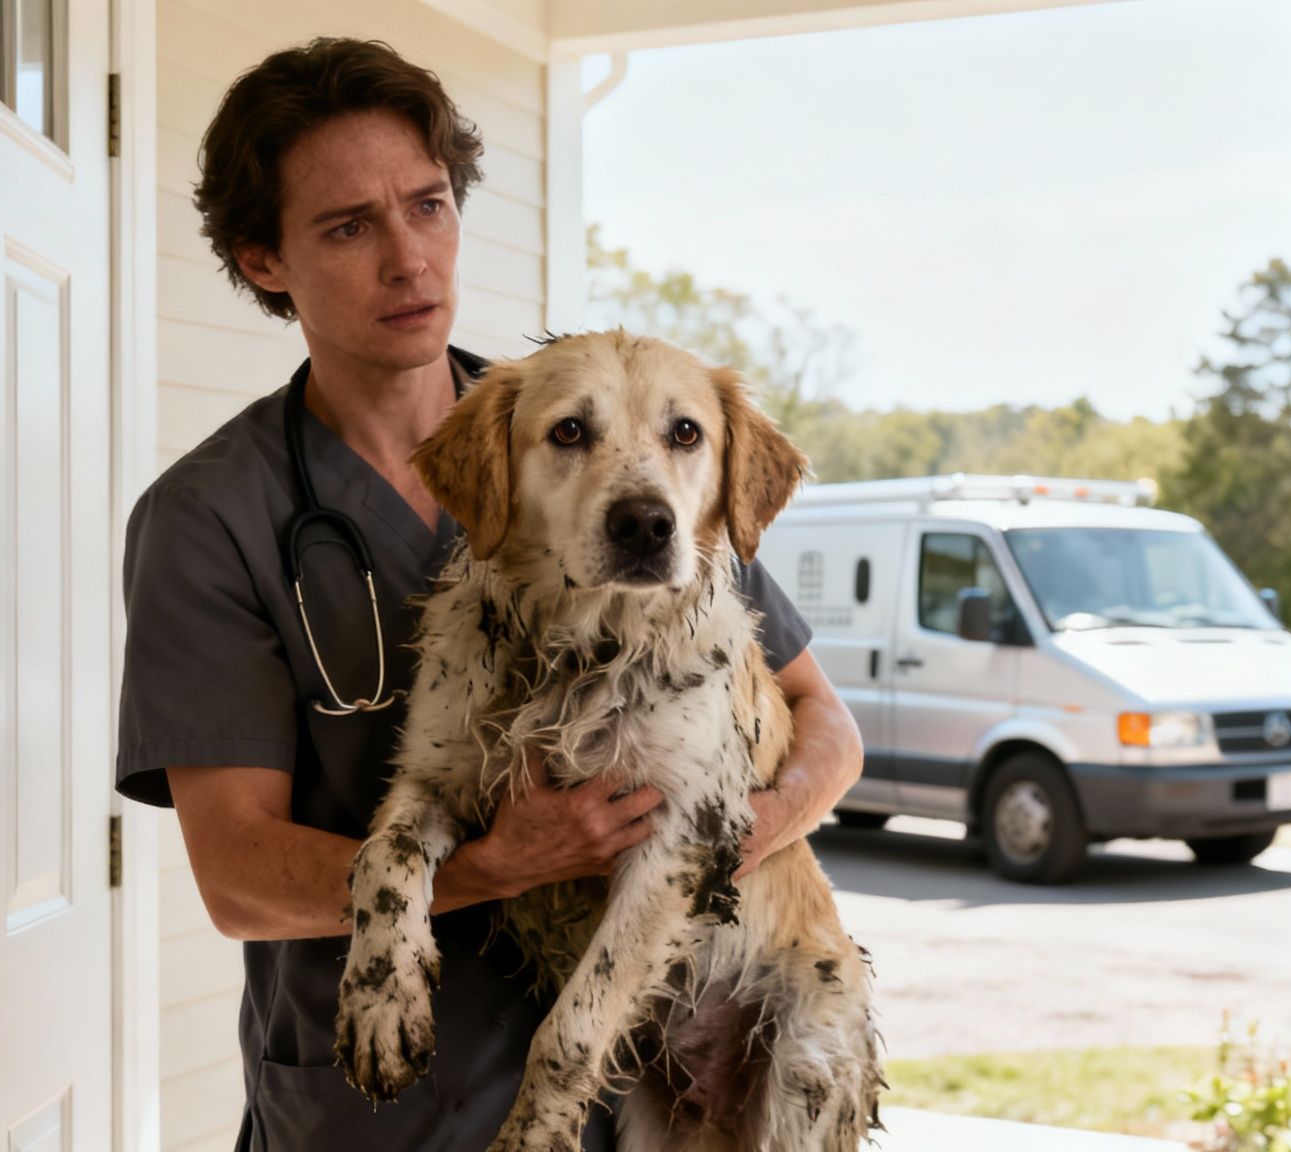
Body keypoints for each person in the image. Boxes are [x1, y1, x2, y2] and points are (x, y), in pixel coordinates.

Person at [113, 37, 863, 1152]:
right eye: (349, 226)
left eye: (428, 205)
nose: (411, 260)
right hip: (374, 1110)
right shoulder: (212, 516)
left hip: (636, 1100)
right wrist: (494, 865)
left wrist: (734, 832)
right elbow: (237, 877)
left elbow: (822, 723)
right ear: (264, 259)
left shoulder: (627, 459)